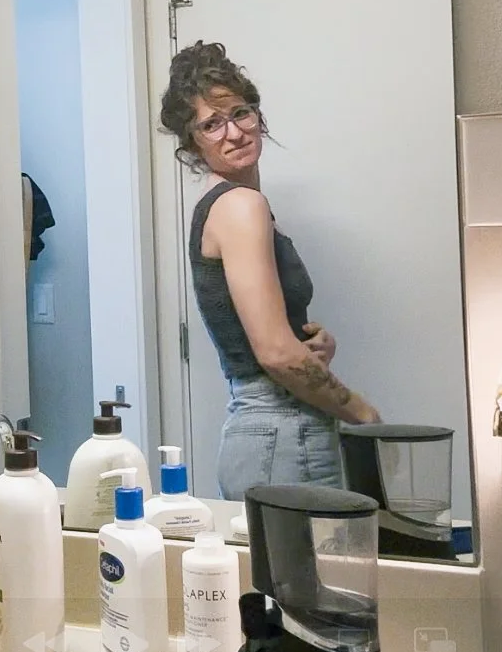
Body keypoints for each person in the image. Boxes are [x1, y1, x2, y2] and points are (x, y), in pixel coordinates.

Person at [160, 40, 380, 499]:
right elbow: (275, 354)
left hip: (272, 432)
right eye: (212, 124)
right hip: (283, 429)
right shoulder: (241, 206)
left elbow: (273, 341)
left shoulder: (227, 207)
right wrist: (361, 412)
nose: (234, 132)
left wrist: (312, 344)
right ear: (193, 144)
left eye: (240, 113)